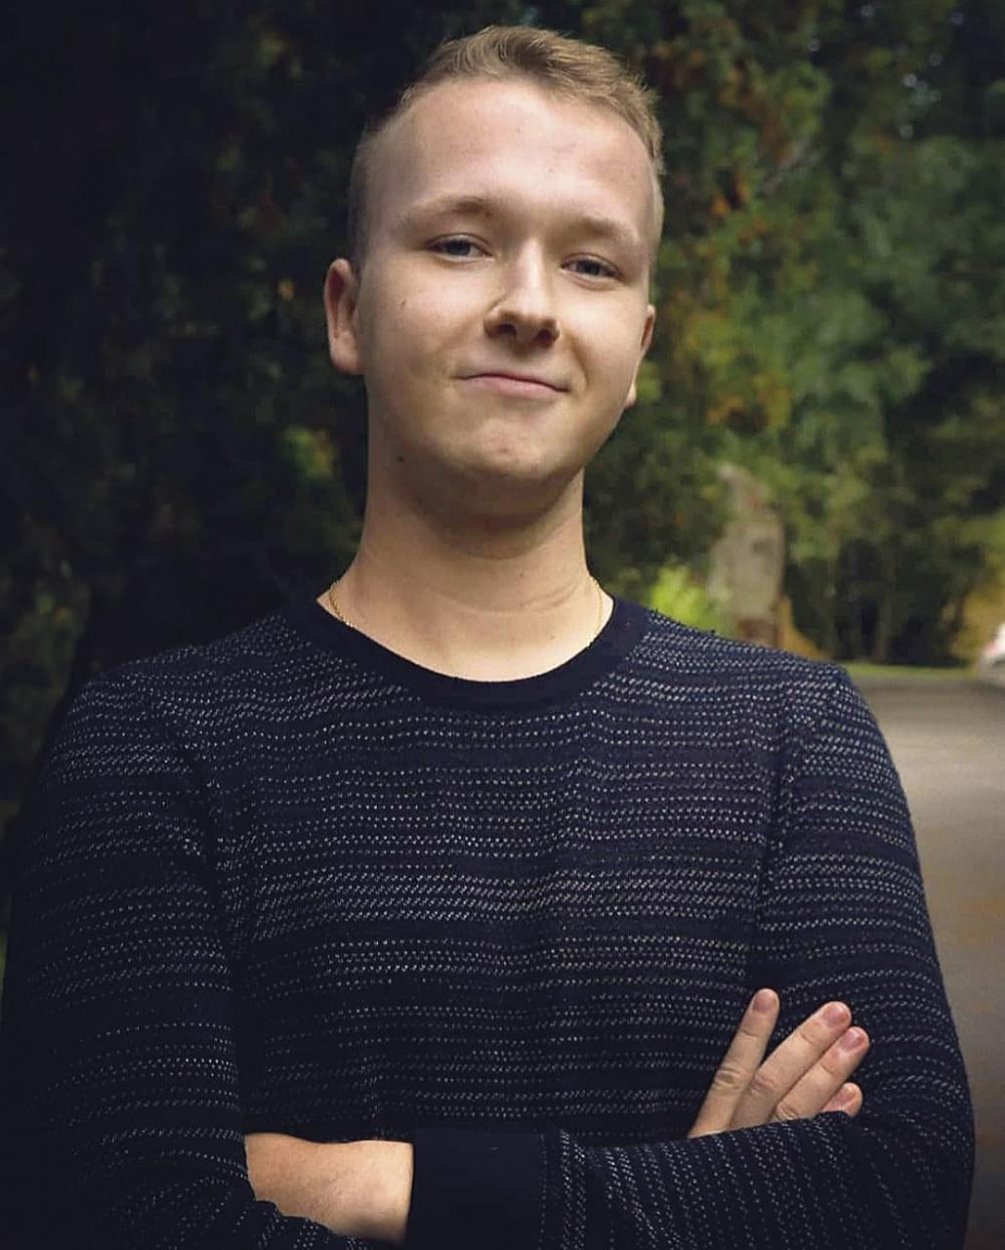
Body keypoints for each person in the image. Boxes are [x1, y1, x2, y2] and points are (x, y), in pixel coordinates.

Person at [0, 24, 973, 1250]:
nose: (528, 305)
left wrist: (379, 1185)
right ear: (349, 312)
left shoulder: (797, 742)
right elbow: (128, 1213)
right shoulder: (150, 751)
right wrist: (696, 1203)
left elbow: (898, 1183)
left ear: (638, 353)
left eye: (591, 263)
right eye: (461, 243)